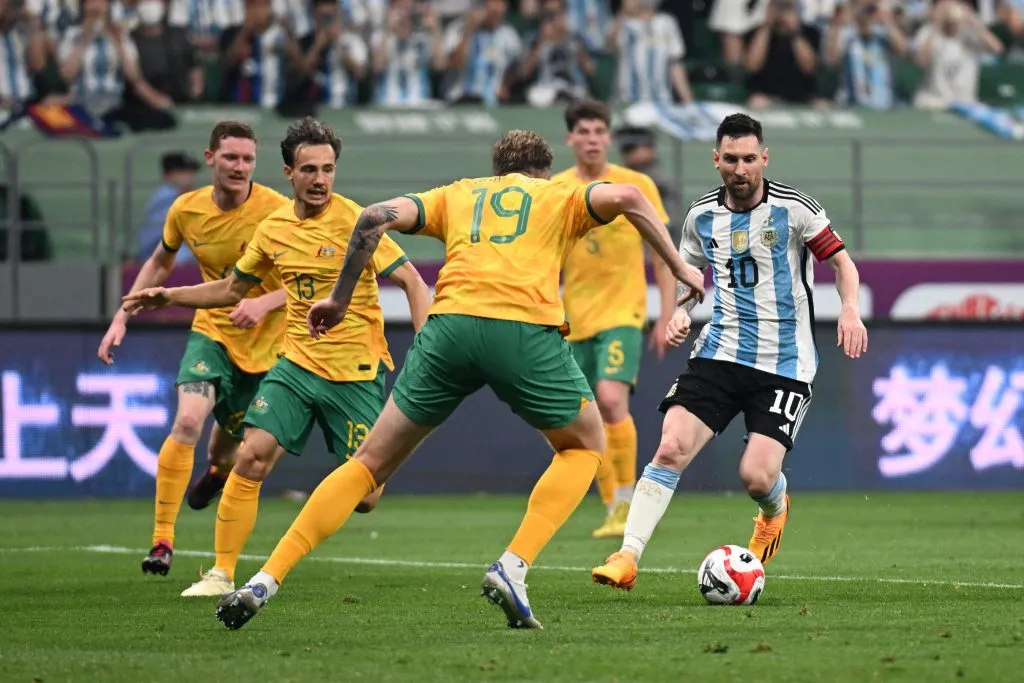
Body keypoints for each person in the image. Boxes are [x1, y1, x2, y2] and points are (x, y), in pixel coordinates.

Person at [208, 128, 705, 632]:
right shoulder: (560, 194)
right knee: (584, 446)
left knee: (368, 465)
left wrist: (338, 299)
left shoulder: (459, 194)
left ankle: (265, 578)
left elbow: (373, 216)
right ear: (543, 172)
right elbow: (629, 195)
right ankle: (513, 566)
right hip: (522, 331)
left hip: (448, 330)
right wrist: (681, 266)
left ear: (497, 170)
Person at [123, 117, 431, 597]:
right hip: (295, 367)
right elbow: (231, 289)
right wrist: (170, 297)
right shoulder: (273, 229)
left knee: (367, 498)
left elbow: (412, 280)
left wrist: (427, 347)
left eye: (328, 169)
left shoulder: (358, 221)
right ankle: (221, 574)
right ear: (289, 172)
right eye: (309, 169)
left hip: (354, 373)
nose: (320, 179)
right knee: (251, 456)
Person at [592, 113, 868, 591]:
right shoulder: (701, 216)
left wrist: (849, 310)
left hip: (785, 363)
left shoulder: (795, 209)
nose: (741, 169)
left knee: (756, 477)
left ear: (765, 159)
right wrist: (680, 312)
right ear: (716, 160)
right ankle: (627, 555)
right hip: (719, 352)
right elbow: (688, 277)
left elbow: (843, 264)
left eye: (749, 159)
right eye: (732, 160)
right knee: (670, 448)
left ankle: (774, 511)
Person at [98, 121, 290, 579]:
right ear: (210, 159)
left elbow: (309, 282)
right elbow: (160, 261)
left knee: (228, 453)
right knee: (186, 421)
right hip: (213, 333)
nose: (239, 167)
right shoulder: (186, 209)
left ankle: (218, 473)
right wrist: (122, 315)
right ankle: (162, 541)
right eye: (230, 157)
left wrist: (263, 303)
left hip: (267, 349)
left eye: (247, 159)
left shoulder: (278, 212)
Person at [553, 100, 676, 540]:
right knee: (586, 416)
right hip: (574, 319)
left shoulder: (635, 185)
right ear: (570, 138)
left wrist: (666, 314)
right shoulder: (556, 189)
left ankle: (627, 502)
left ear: (608, 137)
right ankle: (614, 508)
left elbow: (661, 252)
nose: (592, 139)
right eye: (583, 131)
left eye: (599, 131)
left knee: (609, 399)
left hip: (625, 312)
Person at [136, 152, 200, 264]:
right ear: (170, 174)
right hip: (156, 257)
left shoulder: (172, 195)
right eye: (184, 172)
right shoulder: (167, 197)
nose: (190, 177)